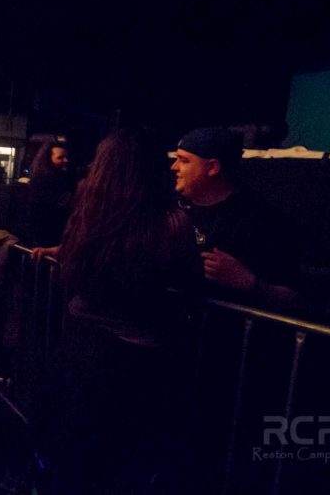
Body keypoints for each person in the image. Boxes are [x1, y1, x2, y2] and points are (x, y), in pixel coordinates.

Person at [47, 128, 201, 494]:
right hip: (136, 356)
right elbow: (189, 283)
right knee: (121, 462)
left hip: (79, 342)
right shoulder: (170, 222)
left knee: (76, 456)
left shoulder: (87, 211)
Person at [171, 127, 299, 305]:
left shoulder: (261, 220)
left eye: (184, 160)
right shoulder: (170, 207)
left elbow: (293, 298)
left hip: (226, 319)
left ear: (212, 168)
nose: (174, 167)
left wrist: (248, 282)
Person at [23, 138, 75, 247]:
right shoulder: (43, 181)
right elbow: (39, 211)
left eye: (66, 157)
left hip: (54, 233)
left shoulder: (63, 178)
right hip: (46, 235)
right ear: (47, 159)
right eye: (60, 157)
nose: (66, 160)